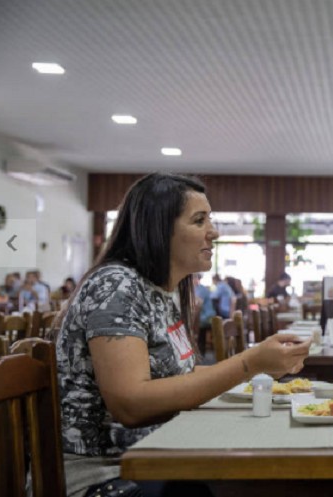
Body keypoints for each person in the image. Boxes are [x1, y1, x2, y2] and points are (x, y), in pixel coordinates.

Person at [52, 173, 311, 497]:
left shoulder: (160, 290)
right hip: (101, 474)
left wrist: (260, 366)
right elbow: (131, 404)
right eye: (199, 220)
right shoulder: (116, 285)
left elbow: (179, 377)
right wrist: (250, 363)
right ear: (159, 229)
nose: (213, 232)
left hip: (160, 454)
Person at [193, 273, 215, 356]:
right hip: (207, 316)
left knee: (189, 324)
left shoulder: (200, 289)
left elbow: (197, 304)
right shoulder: (200, 288)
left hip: (207, 317)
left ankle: (198, 351)